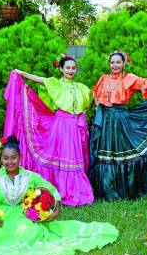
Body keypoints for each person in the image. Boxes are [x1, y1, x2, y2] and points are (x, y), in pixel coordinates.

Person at [89, 50, 147, 201]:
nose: (115, 65)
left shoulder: (129, 78)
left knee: (120, 151)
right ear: (109, 64)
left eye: (118, 62)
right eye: (112, 62)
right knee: (105, 152)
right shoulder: (103, 78)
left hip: (120, 119)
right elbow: (95, 95)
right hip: (105, 120)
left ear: (124, 63)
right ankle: (104, 190)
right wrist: (97, 108)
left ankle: (122, 190)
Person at [8, 54, 93, 206]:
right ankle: (62, 190)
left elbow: (89, 101)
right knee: (64, 156)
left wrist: (83, 113)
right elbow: (39, 79)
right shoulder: (56, 83)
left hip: (74, 127)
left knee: (74, 157)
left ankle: (75, 191)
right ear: (61, 69)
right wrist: (22, 73)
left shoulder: (81, 87)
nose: (71, 71)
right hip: (61, 125)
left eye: (73, 68)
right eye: (67, 68)